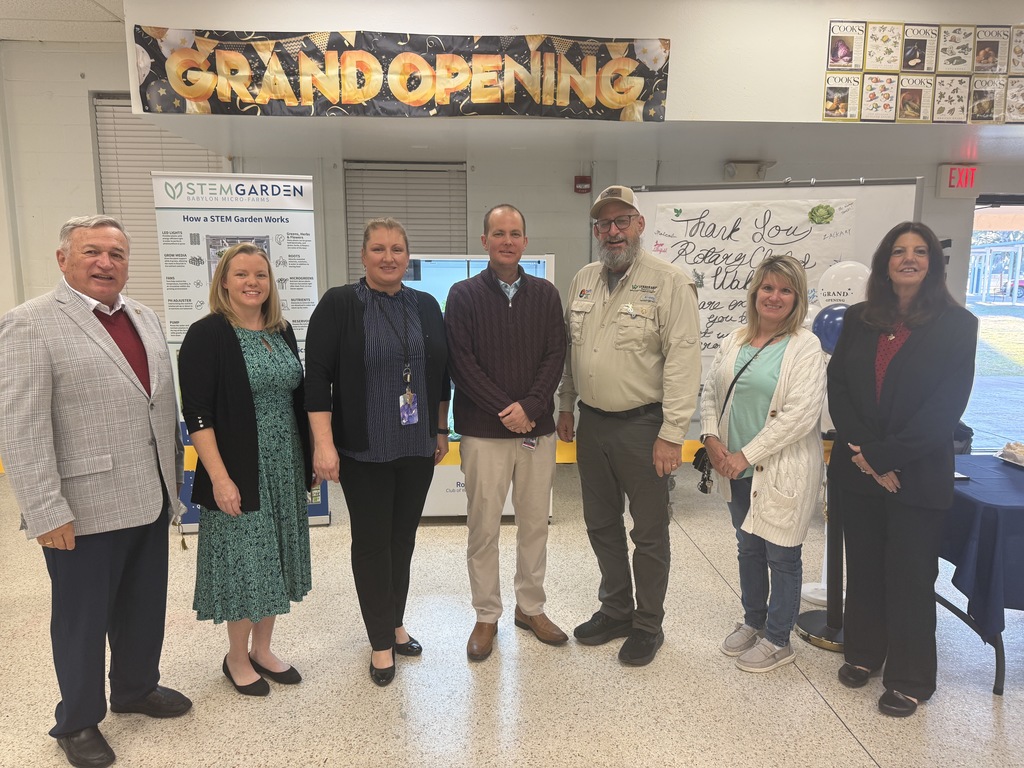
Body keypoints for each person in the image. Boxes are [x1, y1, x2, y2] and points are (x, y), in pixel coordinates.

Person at [0, 216, 190, 768]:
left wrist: (172, 485)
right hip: (80, 509)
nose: (106, 263)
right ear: (64, 259)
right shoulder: (30, 324)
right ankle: (78, 720)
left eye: (116, 254)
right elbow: (21, 424)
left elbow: (158, 406)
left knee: (143, 605)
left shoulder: (146, 318)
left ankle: (135, 689)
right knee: (81, 619)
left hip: (149, 494)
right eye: (92, 251)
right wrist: (43, 509)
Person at [827, 222, 977, 717]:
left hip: (917, 474)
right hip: (859, 469)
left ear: (932, 261)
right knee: (865, 568)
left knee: (911, 577)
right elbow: (840, 390)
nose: (907, 259)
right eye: (898, 251)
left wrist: (884, 457)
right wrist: (867, 457)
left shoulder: (958, 326)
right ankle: (865, 654)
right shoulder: (859, 318)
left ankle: (910, 677)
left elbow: (945, 409)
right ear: (884, 263)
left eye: (918, 251)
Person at [556, 185, 701, 666]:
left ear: (640, 225)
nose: (612, 231)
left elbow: (683, 362)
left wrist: (672, 434)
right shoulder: (583, 279)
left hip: (645, 428)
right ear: (596, 230)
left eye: (622, 221)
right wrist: (565, 404)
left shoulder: (669, 282)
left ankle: (647, 624)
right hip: (592, 424)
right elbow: (571, 352)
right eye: (604, 223)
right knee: (600, 523)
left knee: (650, 531)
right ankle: (615, 609)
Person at [305, 217, 450, 687]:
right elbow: (317, 380)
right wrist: (323, 446)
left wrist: (440, 429)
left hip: (414, 446)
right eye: (379, 249)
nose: (389, 257)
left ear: (408, 257)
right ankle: (380, 644)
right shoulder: (341, 304)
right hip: (362, 449)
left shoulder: (425, 305)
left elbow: (440, 372)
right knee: (371, 544)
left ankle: (395, 622)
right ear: (363, 256)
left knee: (402, 541)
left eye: (398, 250)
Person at [178, 243, 313, 697]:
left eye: (260, 274)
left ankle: (263, 648)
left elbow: (297, 398)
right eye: (241, 274)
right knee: (245, 564)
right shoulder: (207, 334)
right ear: (223, 282)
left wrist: (310, 456)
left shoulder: (282, 331)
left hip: (285, 465)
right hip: (238, 469)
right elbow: (198, 413)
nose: (252, 282)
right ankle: (236, 657)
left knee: (274, 558)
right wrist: (219, 477)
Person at [445, 204, 568, 662]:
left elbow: (555, 355)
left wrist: (532, 408)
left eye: (515, 233)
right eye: (499, 233)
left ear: (525, 241)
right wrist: (505, 409)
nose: (507, 241)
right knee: (484, 526)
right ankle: (486, 615)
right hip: (483, 432)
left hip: (537, 430)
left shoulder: (546, 295)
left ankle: (530, 608)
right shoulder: (463, 295)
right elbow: (462, 363)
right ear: (484, 242)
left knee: (535, 522)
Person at [699, 255, 827, 673]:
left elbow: (800, 415)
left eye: (785, 290)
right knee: (748, 548)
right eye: (768, 288)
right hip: (735, 471)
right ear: (755, 293)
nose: (775, 297)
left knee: (782, 555)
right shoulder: (734, 339)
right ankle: (754, 621)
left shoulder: (805, 347)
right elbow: (711, 394)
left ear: (797, 299)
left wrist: (743, 456)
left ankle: (778, 638)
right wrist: (711, 439)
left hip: (780, 469)